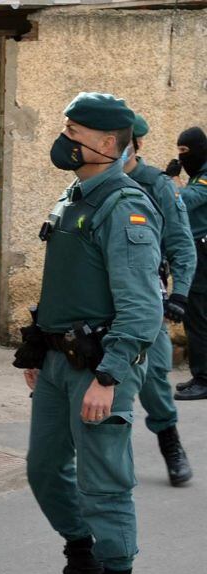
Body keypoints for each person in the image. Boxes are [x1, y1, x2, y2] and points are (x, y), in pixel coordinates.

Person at [16, 93, 161, 574]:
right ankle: (83, 567)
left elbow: (142, 306)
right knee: (44, 471)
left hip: (99, 368)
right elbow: (65, 285)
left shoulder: (126, 207)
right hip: (58, 363)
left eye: (74, 132)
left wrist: (109, 376)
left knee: (103, 484)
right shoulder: (73, 198)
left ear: (105, 143)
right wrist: (38, 348)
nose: (65, 139)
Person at [123, 114, 194, 485]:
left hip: (146, 302)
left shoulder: (157, 186)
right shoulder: (89, 183)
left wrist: (179, 293)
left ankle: (171, 444)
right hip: (100, 303)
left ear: (137, 144)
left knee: (153, 381)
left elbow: (182, 245)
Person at [172, 126, 207, 401]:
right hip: (197, 251)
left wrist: (171, 179)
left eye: (185, 151)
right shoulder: (198, 175)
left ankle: (204, 379)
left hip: (202, 255)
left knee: (197, 316)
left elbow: (185, 200)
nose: (182, 157)